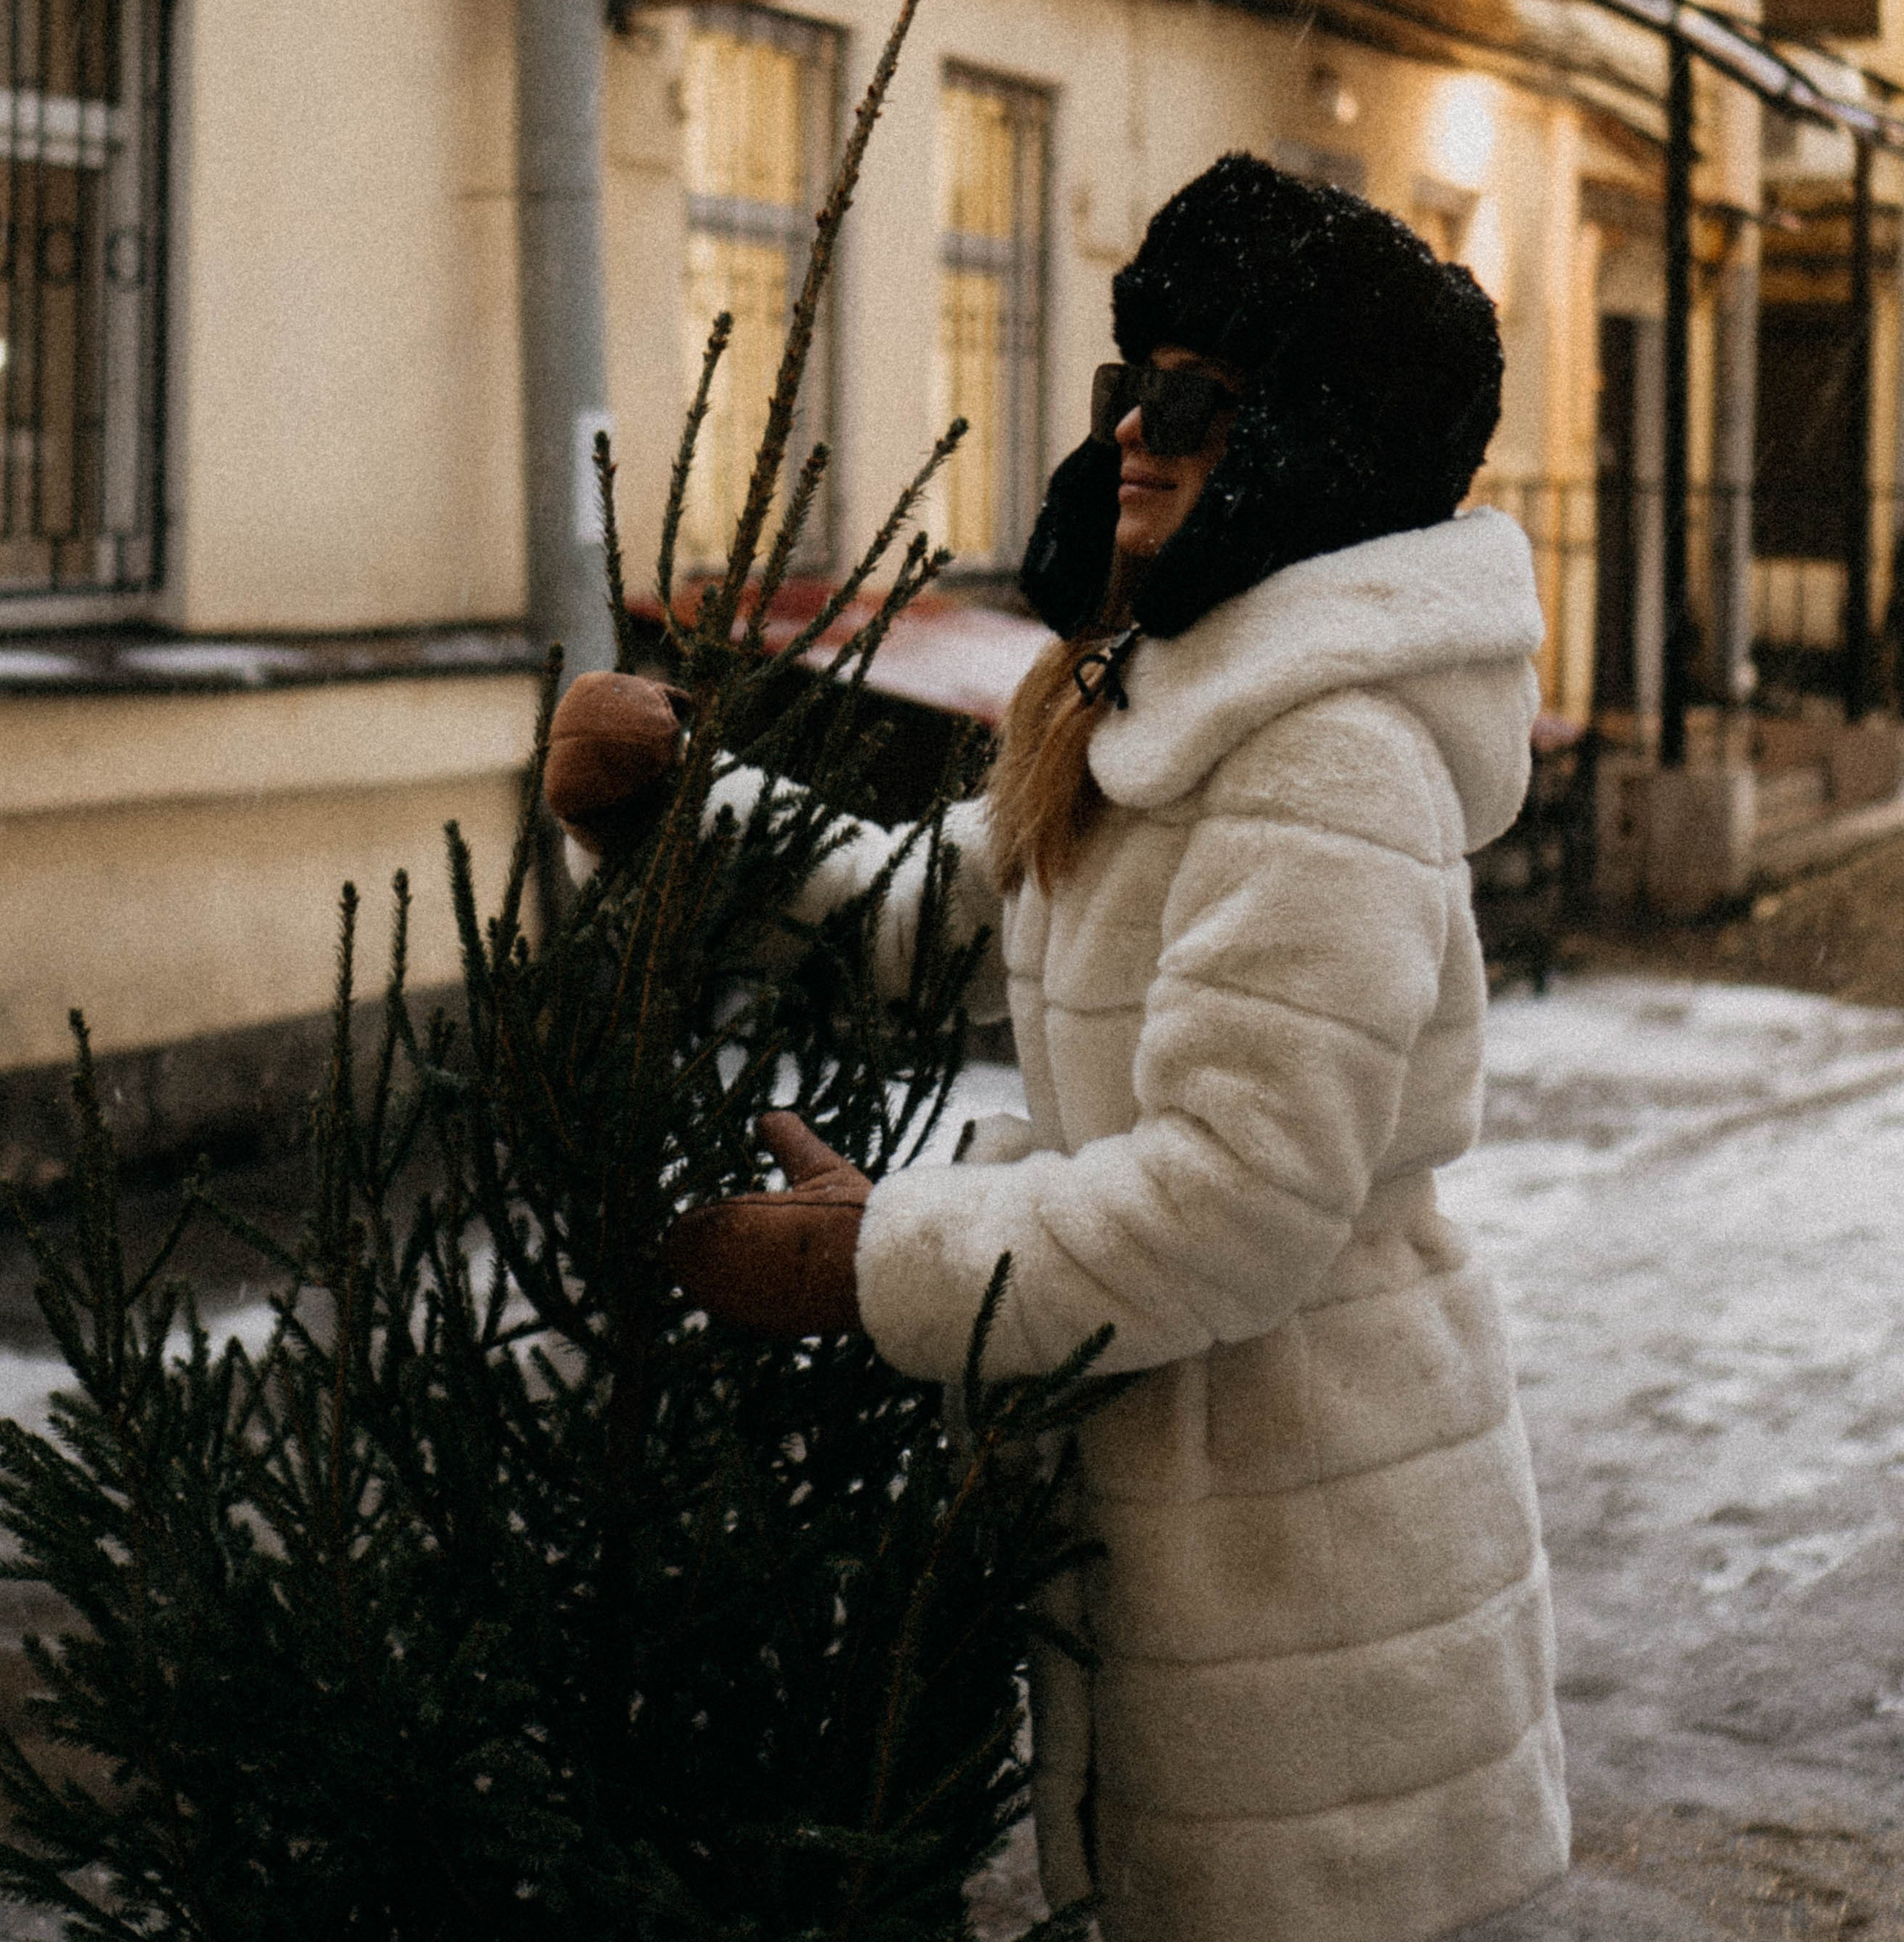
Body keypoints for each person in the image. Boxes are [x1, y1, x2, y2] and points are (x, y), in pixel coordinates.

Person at [557, 152, 1570, 1942]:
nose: (1137, 435)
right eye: (1129, 389)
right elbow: (934, 913)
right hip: (1208, 1527)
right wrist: (678, 809)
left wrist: (878, 1264)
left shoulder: (1320, 753)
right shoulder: (1159, 703)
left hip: (1309, 1563)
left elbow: (1233, 1205)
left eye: (1197, 400)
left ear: (1316, 445)